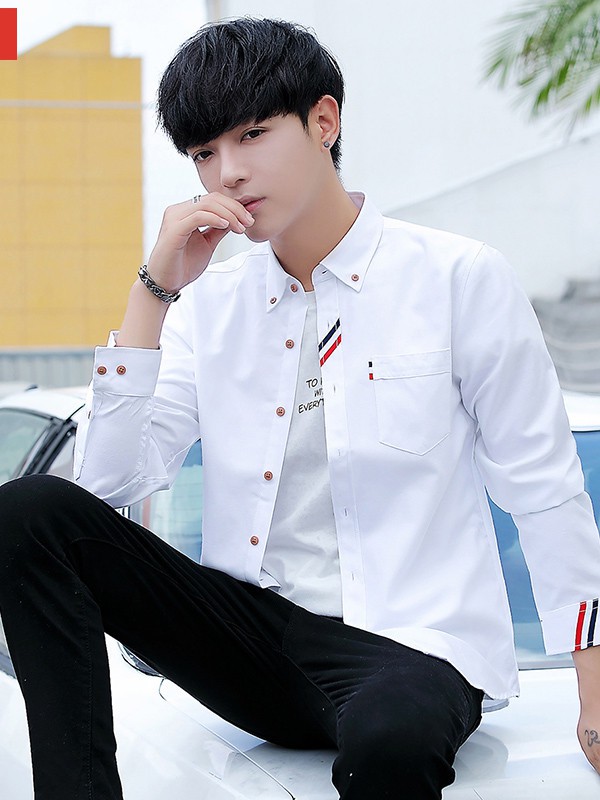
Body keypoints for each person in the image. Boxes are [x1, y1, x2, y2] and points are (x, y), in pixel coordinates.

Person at [1, 16, 600, 800]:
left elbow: (544, 486)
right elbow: (106, 488)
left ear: (324, 121)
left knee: (390, 742)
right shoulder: (208, 305)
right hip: (257, 646)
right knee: (28, 511)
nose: (228, 173)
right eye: (204, 153)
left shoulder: (457, 278)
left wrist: (593, 691)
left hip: (415, 653)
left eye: (252, 136)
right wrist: (154, 292)